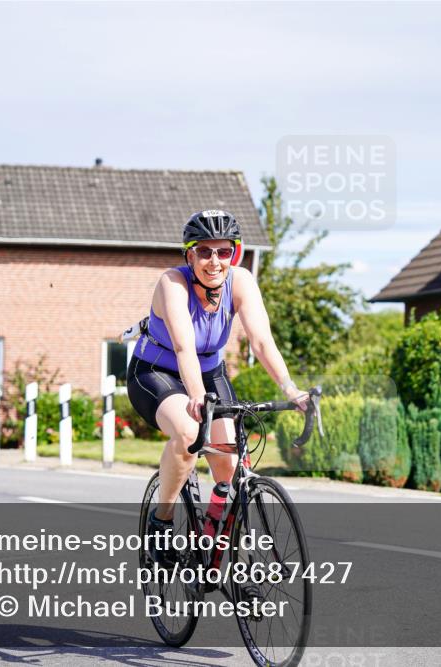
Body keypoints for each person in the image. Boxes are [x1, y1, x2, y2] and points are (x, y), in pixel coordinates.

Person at [126, 209, 308, 560]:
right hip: (156, 372)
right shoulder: (172, 284)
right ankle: (161, 521)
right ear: (190, 254)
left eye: (224, 252)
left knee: (228, 465)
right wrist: (196, 398)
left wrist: (290, 389)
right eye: (204, 251)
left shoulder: (240, 282)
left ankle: (208, 542)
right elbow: (183, 347)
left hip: (210, 371)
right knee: (188, 433)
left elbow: (262, 342)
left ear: (234, 254)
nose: (215, 261)